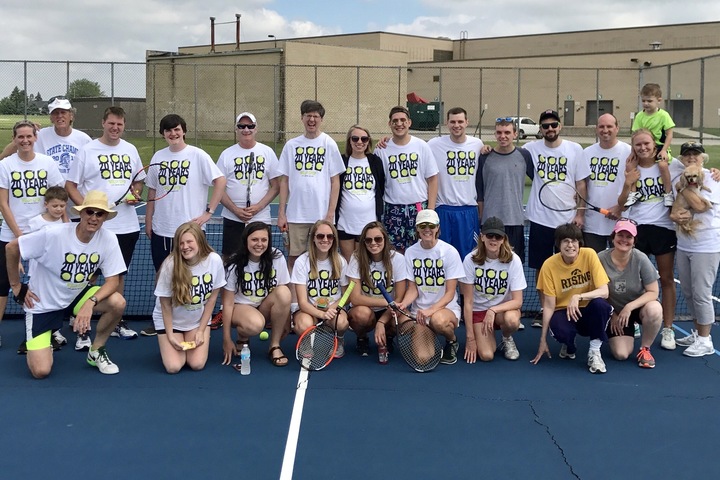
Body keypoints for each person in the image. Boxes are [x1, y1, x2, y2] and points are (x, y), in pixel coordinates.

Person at [6, 190, 127, 377]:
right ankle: (45, 341)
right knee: (41, 371)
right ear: (81, 213)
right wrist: (16, 285)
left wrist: (90, 302)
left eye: (100, 213)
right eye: (90, 212)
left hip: (76, 296)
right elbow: (12, 247)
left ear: (105, 218)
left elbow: (113, 281)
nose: (94, 218)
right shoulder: (53, 234)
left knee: (117, 302)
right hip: (42, 303)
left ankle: (96, 351)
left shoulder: (108, 239)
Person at [140, 113, 226, 336]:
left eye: (176, 129)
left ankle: (194, 320)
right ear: (163, 134)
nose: (173, 134)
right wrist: (149, 219)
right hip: (162, 229)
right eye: (168, 131)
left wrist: (209, 212)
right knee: (163, 276)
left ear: (184, 131)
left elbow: (220, 181)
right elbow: (152, 190)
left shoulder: (198, 155)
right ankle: (160, 320)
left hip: (191, 232)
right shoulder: (159, 156)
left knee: (193, 277)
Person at [66, 106, 144, 341]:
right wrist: (90, 212)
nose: (115, 128)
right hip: (94, 229)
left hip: (126, 227)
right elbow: (70, 185)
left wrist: (135, 193)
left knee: (117, 276)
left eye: (119, 124)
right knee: (88, 275)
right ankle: (80, 321)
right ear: (103, 123)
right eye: (111, 123)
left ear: (124, 126)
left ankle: (116, 320)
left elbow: (138, 180)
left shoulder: (130, 150)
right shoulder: (87, 150)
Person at [0, 121, 65, 348]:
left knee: (48, 283)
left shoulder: (47, 163)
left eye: (29, 136)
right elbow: (3, 203)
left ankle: (51, 330)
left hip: (45, 234)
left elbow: (59, 199)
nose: (25, 140)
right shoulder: (6, 165)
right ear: (14, 139)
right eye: (21, 137)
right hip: (11, 234)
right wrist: (19, 238)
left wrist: (66, 229)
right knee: (3, 284)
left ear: (36, 137)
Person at [524, 110, 590, 327]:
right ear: (540, 129)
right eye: (545, 126)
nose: (550, 129)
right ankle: (545, 310)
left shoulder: (574, 149)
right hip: (540, 218)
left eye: (553, 125)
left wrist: (580, 213)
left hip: (568, 220)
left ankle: (567, 308)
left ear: (559, 126)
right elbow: (505, 153)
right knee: (543, 269)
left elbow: (581, 184)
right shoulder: (529, 150)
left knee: (570, 268)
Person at [618, 129, 677, 350]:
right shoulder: (630, 169)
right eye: (638, 145)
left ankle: (668, 328)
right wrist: (628, 180)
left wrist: (714, 172)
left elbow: (696, 169)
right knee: (634, 281)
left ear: (655, 144)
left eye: (647, 144)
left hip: (663, 229)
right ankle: (633, 321)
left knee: (666, 278)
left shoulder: (669, 165)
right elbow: (622, 203)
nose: (643, 148)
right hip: (636, 229)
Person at [531, 223, 613, 374]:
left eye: (574, 241)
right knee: (562, 332)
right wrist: (542, 340)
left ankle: (595, 352)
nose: (570, 245)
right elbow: (549, 306)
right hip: (564, 312)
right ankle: (569, 345)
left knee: (602, 306)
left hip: (588, 311)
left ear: (579, 243)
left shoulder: (589, 255)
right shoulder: (548, 266)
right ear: (559, 244)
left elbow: (604, 291)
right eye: (566, 241)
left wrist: (578, 296)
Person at [277, 100, 345, 269]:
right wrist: (281, 213)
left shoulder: (329, 143)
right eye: (308, 116)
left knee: (323, 259)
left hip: (321, 216)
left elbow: (335, 181)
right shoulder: (291, 145)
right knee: (294, 259)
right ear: (302, 118)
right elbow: (284, 181)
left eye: (315, 116)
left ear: (321, 119)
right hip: (296, 215)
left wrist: (330, 214)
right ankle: (294, 296)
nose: (312, 120)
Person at [152, 222, 225, 374]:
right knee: (174, 367)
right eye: (181, 243)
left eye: (189, 242)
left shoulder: (214, 260)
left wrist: (201, 330)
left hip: (196, 321)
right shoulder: (170, 265)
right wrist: (170, 335)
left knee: (196, 364)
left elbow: (212, 300)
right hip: (171, 321)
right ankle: (168, 347)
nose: (185, 247)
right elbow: (164, 305)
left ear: (199, 241)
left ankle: (184, 342)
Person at [0, 98, 91, 219]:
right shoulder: (40, 135)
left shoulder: (83, 139)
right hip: (49, 206)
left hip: (77, 203)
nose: (59, 116)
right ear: (51, 117)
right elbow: (4, 157)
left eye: (63, 112)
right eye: (55, 113)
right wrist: (24, 133)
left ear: (71, 116)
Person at [669, 142, 720, 357]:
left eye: (695, 155)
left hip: (706, 245)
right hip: (684, 243)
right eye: (687, 155)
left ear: (702, 158)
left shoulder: (712, 178)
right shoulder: (677, 175)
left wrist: (683, 187)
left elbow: (700, 206)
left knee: (702, 293)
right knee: (688, 292)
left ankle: (705, 340)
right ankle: (698, 332)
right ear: (681, 158)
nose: (691, 158)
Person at [395, 209, 464, 365]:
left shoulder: (450, 252)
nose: (427, 229)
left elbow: (450, 293)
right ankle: (428, 334)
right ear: (417, 229)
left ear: (437, 228)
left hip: (445, 310)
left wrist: (431, 311)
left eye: (431, 225)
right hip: (419, 313)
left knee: (438, 321)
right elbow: (413, 288)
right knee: (422, 359)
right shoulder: (411, 252)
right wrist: (404, 304)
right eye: (423, 225)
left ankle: (452, 340)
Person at [221, 221, 292, 367]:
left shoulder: (277, 257)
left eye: (264, 240)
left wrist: (287, 320)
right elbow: (227, 304)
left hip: (264, 307)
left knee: (284, 292)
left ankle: (274, 345)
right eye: (254, 239)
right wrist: (226, 339)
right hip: (239, 309)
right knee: (255, 325)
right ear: (246, 240)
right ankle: (242, 336)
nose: (259, 244)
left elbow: (283, 289)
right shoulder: (234, 264)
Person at [598, 218, 662, 368]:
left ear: (634, 241)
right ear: (613, 237)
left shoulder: (640, 258)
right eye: (620, 235)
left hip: (636, 309)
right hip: (613, 311)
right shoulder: (600, 258)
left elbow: (653, 292)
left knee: (655, 309)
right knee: (621, 354)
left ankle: (645, 349)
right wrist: (612, 314)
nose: (624, 240)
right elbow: (594, 290)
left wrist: (629, 308)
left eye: (629, 237)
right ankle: (618, 330)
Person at [460, 217, 526, 362]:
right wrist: (470, 337)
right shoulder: (469, 260)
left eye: (498, 236)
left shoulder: (513, 260)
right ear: (482, 237)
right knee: (487, 355)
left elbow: (518, 301)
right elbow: (468, 302)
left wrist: (493, 310)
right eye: (490, 235)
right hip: (478, 312)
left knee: (512, 320)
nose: (493, 240)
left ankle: (506, 337)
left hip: (501, 312)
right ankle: (483, 338)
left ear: (503, 239)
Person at [374, 106, 439, 253]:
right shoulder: (381, 149)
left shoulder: (421, 146)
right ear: (389, 124)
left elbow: (433, 178)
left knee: (421, 249)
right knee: (394, 253)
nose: (399, 124)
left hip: (417, 207)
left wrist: (430, 209)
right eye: (395, 120)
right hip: (393, 208)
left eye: (403, 120)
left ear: (409, 122)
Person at [218, 112, 280, 256]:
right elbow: (219, 189)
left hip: (261, 218)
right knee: (230, 259)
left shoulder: (267, 152)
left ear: (256, 128)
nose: (246, 130)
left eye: (250, 126)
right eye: (242, 126)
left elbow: (276, 186)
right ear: (236, 129)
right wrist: (235, 210)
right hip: (233, 218)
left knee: (261, 258)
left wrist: (258, 207)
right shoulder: (226, 154)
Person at [16, 186, 70, 353]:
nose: (59, 209)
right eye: (55, 206)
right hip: (37, 272)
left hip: (57, 273)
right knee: (35, 303)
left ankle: (53, 332)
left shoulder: (65, 223)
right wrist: (18, 261)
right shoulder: (36, 223)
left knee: (55, 303)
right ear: (46, 204)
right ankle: (28, 340)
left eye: (62, 206)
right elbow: (22, 243)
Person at [427, 107, 484, 259]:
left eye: (460, 121)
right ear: (447, 123)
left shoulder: (477, 144)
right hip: (443, 210)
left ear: (467, 122)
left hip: (468, 211)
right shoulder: (433, 144)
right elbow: (411, 146)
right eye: (452, 122)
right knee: (441, 257)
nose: (456, 125)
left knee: (468, 258)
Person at [346, 221, 407, 359]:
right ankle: (362, 338)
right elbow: (354, 298)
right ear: (364, 242)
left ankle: (389, 336)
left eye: (378, 239)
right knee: (361, 315)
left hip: (390, 310)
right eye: (368, 240)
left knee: (404, 319)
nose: (373, 243)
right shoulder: (356, 259)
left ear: (385, 239)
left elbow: (399, 298)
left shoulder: (398, 259)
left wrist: (382, 321)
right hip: (367, 308)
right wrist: (386, 303)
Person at [476, 117, 534, 262]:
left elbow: (539, 180)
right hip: (490, 223)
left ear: (515, 134)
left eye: (507, 132)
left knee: (514, 265)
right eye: (499, 132)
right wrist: (481, 220)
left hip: (515, 221)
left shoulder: (524, 155)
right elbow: (480, 191)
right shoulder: (485, 157)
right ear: (495, 135)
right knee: (489, 265)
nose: (503, 136)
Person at [291, 220, 349, 357]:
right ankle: (306, 340)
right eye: (320, 236)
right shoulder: (301, 262)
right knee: (303, 324)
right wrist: (322, 314)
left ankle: (338, 340)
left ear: (334, 240)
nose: (325, 240)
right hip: (308, 310)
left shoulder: (340, 261)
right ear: (313, 239)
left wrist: (332, 308)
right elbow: (302, 303)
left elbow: (346, 296)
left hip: (333, 309)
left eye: (329, 236)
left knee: (341, 323)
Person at [582, 114, 631, 252]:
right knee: (594, 268)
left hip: (621, 223)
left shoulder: (629, 152)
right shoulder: (587, 153)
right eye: (601, 126)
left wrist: (620, 207)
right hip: (592, 224)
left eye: (609, 126)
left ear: (617, 128)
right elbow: (582, 186)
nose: (605, 130)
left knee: (620, 268)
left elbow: (636, 187)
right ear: (596, 129)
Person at [336, 126, 385, 262]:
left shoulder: (375, 162)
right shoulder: (342, 161)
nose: (359, 142)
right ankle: (351, 284)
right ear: (349, 141)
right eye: (355, 138)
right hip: (345, 223)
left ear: (368, 141)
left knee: (363, 262)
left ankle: (363, 284)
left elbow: (380, 185)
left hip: (368, 223)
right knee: (348, 262)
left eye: (364, 139)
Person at [625, 83, 675, 207]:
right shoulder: (640, 116)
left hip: (659, 146)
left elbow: (669, 134)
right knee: (630, 165)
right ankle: (633, 192)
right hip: (644, 146)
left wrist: (664, 150)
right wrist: (632, 152)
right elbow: (634, 136)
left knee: (663, 165)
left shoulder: (663, 115)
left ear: (659, 101)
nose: (646, 103)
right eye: (643, 101)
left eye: (649, 101)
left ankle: (668, 193)